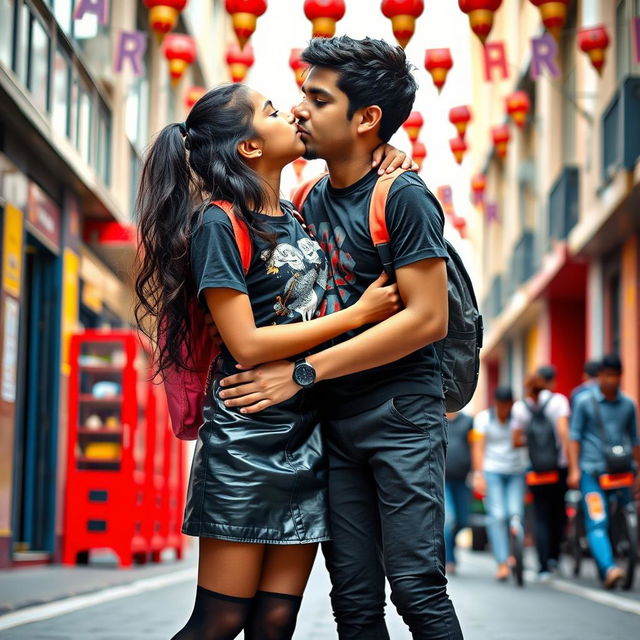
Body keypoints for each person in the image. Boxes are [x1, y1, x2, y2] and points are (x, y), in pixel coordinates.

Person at [134, 82, 412, 640]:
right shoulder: (219, 222)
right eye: (270, 111)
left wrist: (383, 151)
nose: (289, 113)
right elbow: (247, 344)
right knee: (220, 619)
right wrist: (358, 314)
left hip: (306, 435)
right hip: (244, 438)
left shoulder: (296, 212)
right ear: (250, 149)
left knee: (276, 622)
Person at [218, 36, 463, 639]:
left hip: (401, 412)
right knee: (352, 599)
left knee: (414, 586)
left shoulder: (402, 195)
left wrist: (303, 373)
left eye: (317, 99)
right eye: (300, 96)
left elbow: (427, 318)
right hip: (334, 420)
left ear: (366, 119)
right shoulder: (309, 199)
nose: (299, 109)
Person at [568, 354, 640, 589]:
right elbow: (574, 437)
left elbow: (634, 439)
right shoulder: (584, 403)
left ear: (621, 376)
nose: (610, 380)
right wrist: (575, 470)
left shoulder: (628, 404)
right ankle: (609, 568)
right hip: (592, 473)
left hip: (621, 472)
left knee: (627, 515)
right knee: (598, 520)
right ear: (599, 376)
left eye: (615, 375)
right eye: (606, 375)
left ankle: (621, 549)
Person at [512, 370, 571, 581]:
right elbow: (564, 435)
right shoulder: (558, 402)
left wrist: (533, 442)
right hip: (558, 467)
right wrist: (572, 465)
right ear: (550, 383)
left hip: (535, 469)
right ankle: (554, 557)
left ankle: (543, 565)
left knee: (541, 516)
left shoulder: (520, 408)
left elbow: (516, 440)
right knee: (559, 513)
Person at [470, 386, 527, 581]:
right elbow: (478, 448)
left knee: (515, 512)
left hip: (516, 471)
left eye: (507, 406)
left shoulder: (519, 417)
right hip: (493, 471)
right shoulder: (483, 419)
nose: (504, 409)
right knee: (497, 515)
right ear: (495, 404)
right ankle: (502, 563)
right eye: (501, 405)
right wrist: (479, 475)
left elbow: (524, 439)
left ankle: (516, 553)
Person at [444, 411, 474, 575]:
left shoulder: (468, 421)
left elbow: (476, 447)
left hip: (462, 480)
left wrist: (477, 473)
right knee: (448, 521)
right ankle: (449, 559)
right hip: (441, 480)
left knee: (462, 521)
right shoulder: (435, 416)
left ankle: (450, 547)